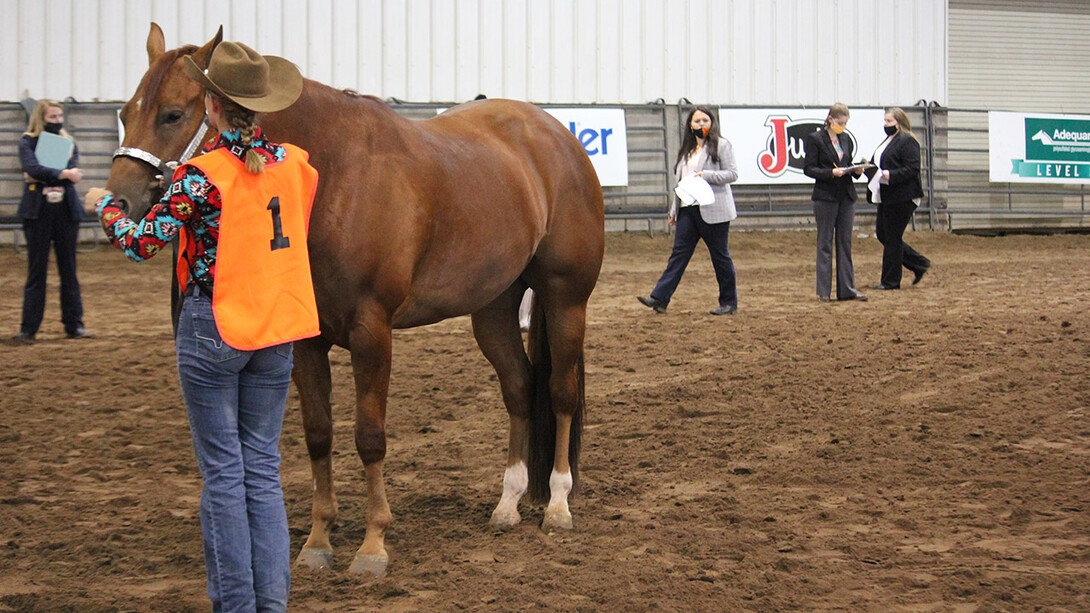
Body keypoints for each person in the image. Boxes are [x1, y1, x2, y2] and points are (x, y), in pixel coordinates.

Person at [88, 41, 318, 613]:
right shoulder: (298, 165)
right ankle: (272, 604)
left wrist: (105, 205)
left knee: (223, 474)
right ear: (261, 106)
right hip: (276, 327)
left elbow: (142, 244)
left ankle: (236, 605)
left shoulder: (201, 176)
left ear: (212, 109)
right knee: (262, 471)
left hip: (214, 325)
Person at [637, 106, 739, 316]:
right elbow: (681, 182)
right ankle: (660, 297)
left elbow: (732, 174)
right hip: (688, 210)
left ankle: (729, 302)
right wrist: (675, 208)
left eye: (705, 120)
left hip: (713, 209)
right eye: (697, 121)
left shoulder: (722, 145)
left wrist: (706, 175)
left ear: (712, 123)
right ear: (690, 125)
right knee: (679, 255)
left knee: (720, 256)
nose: (701, 124)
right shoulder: (686, 151)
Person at [12, 100, 87, 343]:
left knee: (69, 270)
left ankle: (74, 325)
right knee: (37, 271)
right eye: (52, 116)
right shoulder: (28, 141)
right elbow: (32, 166)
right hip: (37, 212)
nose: (57, 120)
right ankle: (28, 328)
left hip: (65, 211)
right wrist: (62, 173)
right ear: (41, 118)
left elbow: (37, 171)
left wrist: (45, 174)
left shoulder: (68, 141)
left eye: (59, 116)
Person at [803, 103, 868, 303]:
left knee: (844, 243)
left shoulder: (845, 139)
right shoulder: (816, 139)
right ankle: (824, 291)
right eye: (840, 122)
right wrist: (830, 173)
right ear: (830, 119)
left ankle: (847, 289)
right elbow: (809, 168)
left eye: (845, 123)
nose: (843, 126)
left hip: (846, 196)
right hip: (825, 197)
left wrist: (855, 170)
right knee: (824, 243)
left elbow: (846, 162)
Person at [865, 107, 931, 290]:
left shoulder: (908, 141)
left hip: (903, 196)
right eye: (885, 121)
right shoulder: (888, 141)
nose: (885, 125)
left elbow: (912, 168)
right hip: (887, 196)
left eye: (889, 121)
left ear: (899, 123)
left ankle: (890, 281)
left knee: (892, 237)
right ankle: (918, 263)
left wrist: (889, 175)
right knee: (884, 234)